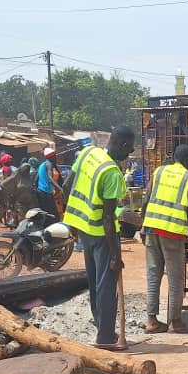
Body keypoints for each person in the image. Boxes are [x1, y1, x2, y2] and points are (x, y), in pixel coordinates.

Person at [62, 127, 135, 347]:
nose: (130, 153)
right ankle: (105, 337)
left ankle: (101, 326)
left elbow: (67, 187)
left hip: (84, 230)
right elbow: (107, 218)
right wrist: (115, 255)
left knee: (95, 282)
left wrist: (73, 221)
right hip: (103, 236)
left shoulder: (87, 153)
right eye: (129, 149)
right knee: (106, 285)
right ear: (122, 145)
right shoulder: (112, 172)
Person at [141, 144, 188, 334]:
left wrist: (143, 226)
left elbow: (146, 200)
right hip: (172, 232)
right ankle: (175, 321)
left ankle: (152, 320)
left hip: (152, 228)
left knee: (153, 275)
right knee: (176, 278)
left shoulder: (159, 171)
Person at [37, 148, 60, 217]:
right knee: (54, 214)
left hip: (40, 191)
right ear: (51, 157)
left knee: (46, 212)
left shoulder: (42, 165)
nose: (56, 158)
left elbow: (36, 178)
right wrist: (60, 189)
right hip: (46, 192)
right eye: (55, 156)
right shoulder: (49, 164)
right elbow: (50, 178)